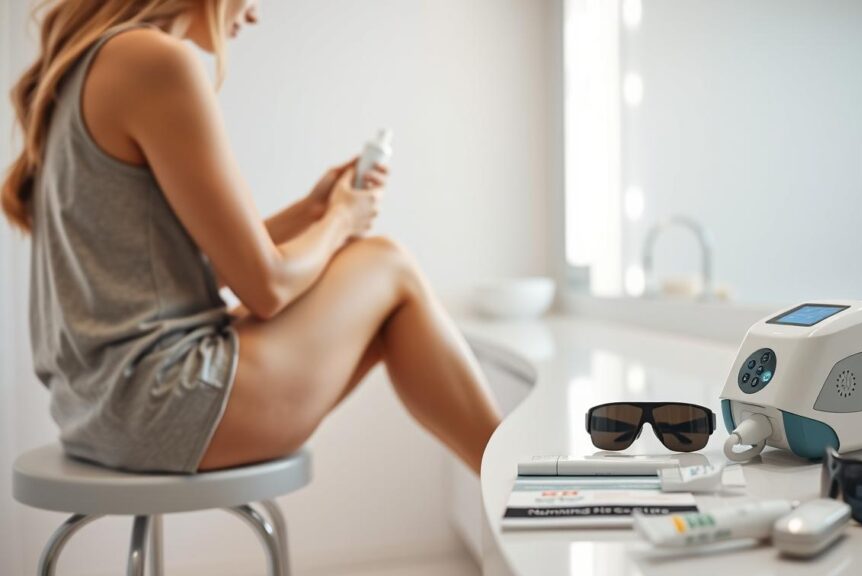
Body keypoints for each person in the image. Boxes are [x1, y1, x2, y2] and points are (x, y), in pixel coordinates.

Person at [1, 0, 502, 475]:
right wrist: (341, 222)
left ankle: (517, 487)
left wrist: (314, 210)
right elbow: (266, 288)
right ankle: (522, 488)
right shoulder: (152, 59)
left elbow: (193, 268)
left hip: (98, 414)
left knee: (384, 309)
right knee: (386, 264)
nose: (256, 13)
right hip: (162, 406)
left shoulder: (87, 64)